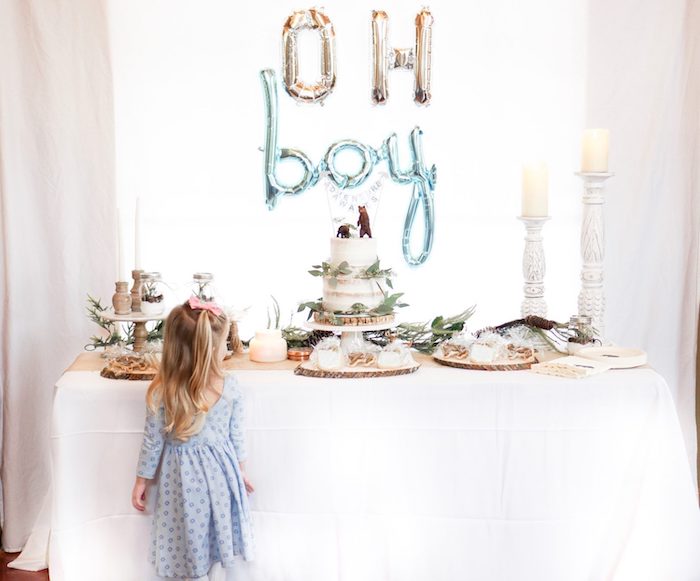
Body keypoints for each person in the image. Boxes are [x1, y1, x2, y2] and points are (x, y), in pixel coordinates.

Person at [131, 297, 254, 581]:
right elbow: (237, 438)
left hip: (183, 480)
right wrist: (240, 469)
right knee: (210, 532)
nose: (226, 348)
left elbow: (152, 443)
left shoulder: (163, 391)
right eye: (224, 343)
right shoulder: (229, 386)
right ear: (209, 351)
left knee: (192, 533)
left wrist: (141, 480)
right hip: (217, 476)